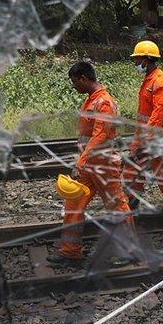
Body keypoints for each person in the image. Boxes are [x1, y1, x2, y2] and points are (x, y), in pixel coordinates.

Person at [48, 61, 133, 266]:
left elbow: (100, 135)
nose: (73, 86)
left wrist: (80, 161)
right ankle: (70, 253)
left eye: (75, 82)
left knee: (117, 208)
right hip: (88, 166)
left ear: (84, 79)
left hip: (103, 166)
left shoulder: (103, 102)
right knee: (73, 206)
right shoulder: (90, 100)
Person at [124, 40, 163, 210]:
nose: (135, 63)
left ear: (147, 59)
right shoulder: (149, 79)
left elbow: (158, 114)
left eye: (137, 60)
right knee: (132, 170)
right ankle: (132, 208)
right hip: (144, 136)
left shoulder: (159, 81)